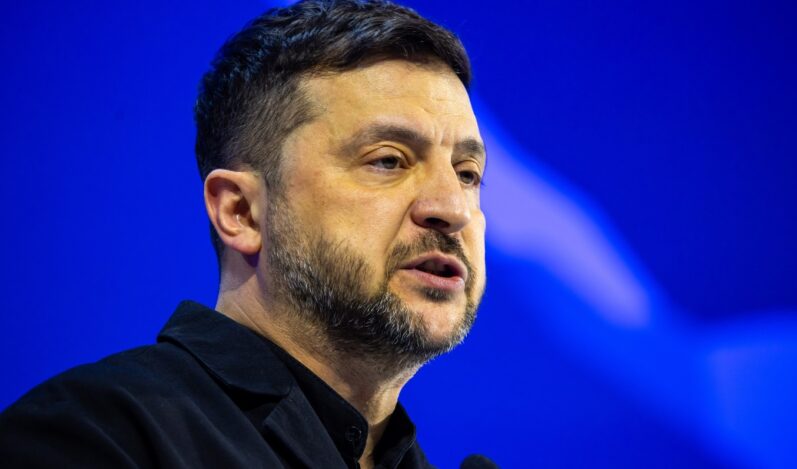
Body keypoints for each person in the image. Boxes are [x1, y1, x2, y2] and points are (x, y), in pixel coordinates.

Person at [0, 1, 487, 468]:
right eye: (388, 161)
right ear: (241, 212)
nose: (453, 209)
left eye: (467, 173)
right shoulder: (95, 437)